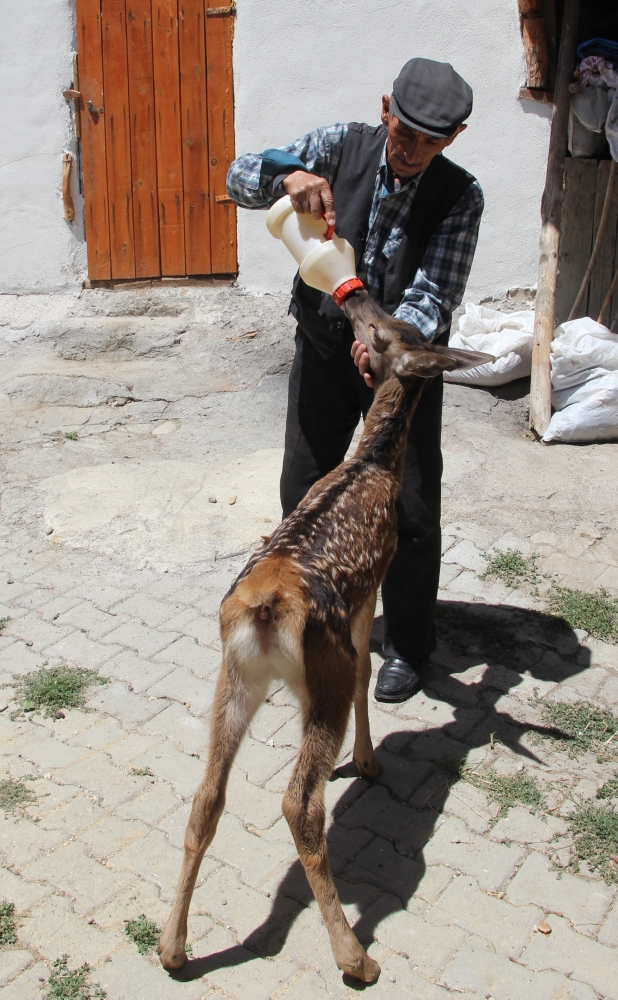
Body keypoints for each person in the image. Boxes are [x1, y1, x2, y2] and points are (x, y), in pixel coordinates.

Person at [226, 57, 484, 703]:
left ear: (454, 137)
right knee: (305, 493)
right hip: (320, 350)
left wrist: (389, 345)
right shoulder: (338, 145)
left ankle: (407, 646)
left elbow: (435, 292)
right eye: (405, 130)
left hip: (399, 373)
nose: (412, 148)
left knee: (411, 508)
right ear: (384, 108)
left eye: (431, 139)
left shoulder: (460, 195)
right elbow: (238, 178)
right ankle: (312, 624)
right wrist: (288, 173)